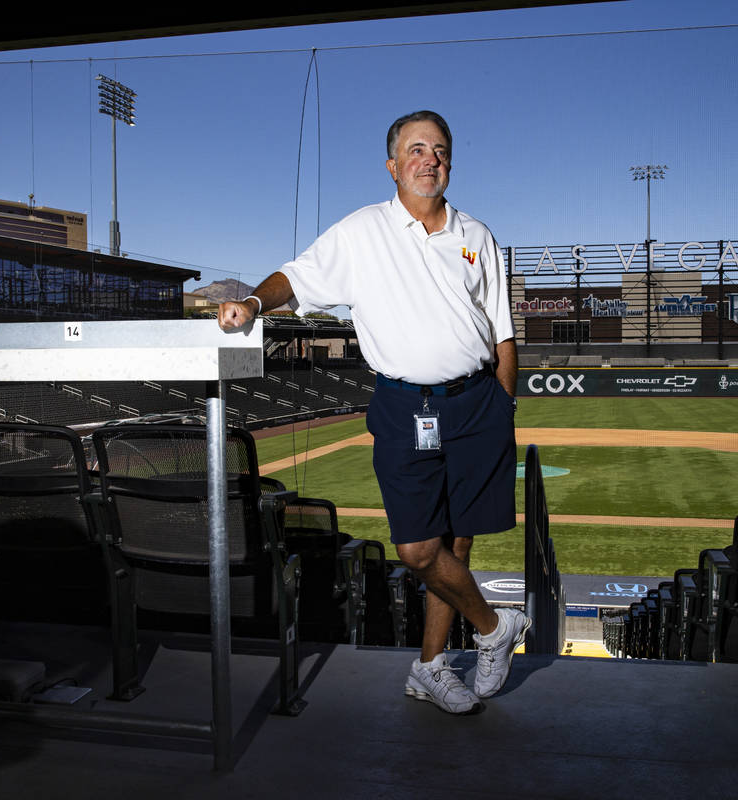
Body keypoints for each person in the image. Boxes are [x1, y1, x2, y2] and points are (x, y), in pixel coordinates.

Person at [218, 110, 529, 715]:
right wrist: (254, 301)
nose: (428, 159)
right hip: (403, 404)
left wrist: (503, 404)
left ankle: (430, 668)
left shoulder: (477, 235)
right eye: (416, 149)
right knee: (416, 549)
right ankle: (495, 628)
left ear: (449, 163)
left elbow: (504, 335)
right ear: (393, 165)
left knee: (456, 547)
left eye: (439, 150)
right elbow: (298, 276)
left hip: (478, 403)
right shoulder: (363, 231)